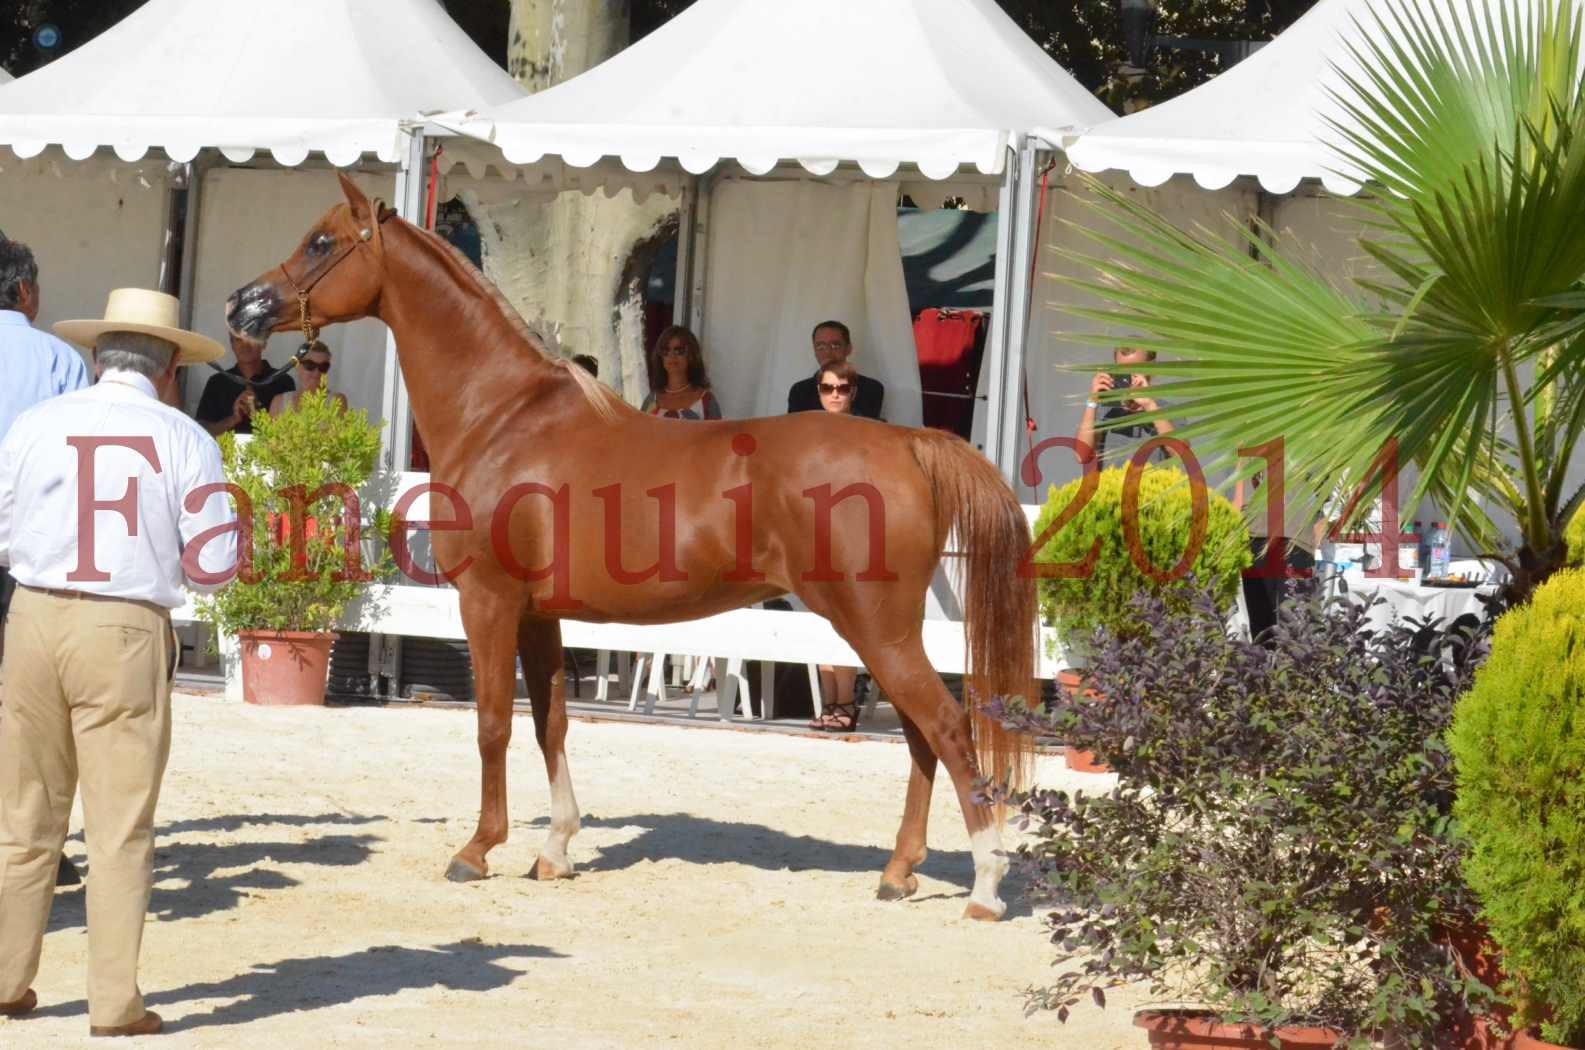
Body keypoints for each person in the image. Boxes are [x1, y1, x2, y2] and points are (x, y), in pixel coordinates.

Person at [0, 288, 237, 1037]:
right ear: (169, 368)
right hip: (125, 626)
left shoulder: (35, 423)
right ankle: (112, 1003)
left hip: (34, 614)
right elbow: (217, 563)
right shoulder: (183, 438)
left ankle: (6, 979)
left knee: (23, 819)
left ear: (97, 356)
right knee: (119, 827)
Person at [0, 237, 90, 889]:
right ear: (24, 293)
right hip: (27, 548)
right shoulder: (60, 359)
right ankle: (34, 842)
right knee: (27, 702)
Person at [806, 359, 865, 732]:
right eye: (828, 388)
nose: (835, 395)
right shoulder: (808, 432)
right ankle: (830, 701)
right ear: (819, 391)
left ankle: (845, 701)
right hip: (811, 533)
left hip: (852, 534)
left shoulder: (863, 433)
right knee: (819, 621)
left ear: (853, 392)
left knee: (844, 622)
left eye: (842, 388)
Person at [1075, 345, 1175, 463]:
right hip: (1111, 481)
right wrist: (1092, 401)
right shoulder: (1105, 409)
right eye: (1122, 370)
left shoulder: (1166, 409)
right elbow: (1082, 456)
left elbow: (1180, 453)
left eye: (1135, 369)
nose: (1128, 376)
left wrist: (1149, 405)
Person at [195, 333, 295, 436]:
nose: (245, 345)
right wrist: (233, 419)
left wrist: (259, 413)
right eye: (238, 339)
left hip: (269, 452)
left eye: (251, 338)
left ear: (264, 343)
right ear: (232, 345)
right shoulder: (216, 382)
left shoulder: (283, 381)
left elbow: (291, 434)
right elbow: (200, 432)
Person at [787, 320, 885, 419]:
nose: (828, 352)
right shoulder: (799, 391)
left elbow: (866, 429)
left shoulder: (871, 389)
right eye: (820, 346)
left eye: (835, 345)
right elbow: (795, 430)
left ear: (848, 349)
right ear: (814, 351)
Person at [642, 325, 722, 420]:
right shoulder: (650, 401)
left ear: (692, 355)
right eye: (666, 350)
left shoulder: (707, 401)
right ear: (661, 358)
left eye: (679, 350)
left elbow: (720, 435)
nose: (672, 356)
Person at [267, 341, 348, 416]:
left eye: (323, 367)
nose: (317, 373)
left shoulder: (336, 401)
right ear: (297, 366)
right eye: (310, 365)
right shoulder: (279, 402)